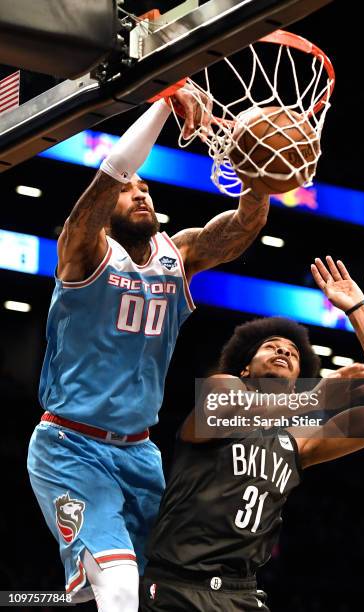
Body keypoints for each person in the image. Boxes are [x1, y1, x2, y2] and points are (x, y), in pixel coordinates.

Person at [27, 83, 271, 611]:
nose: (141, 193)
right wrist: (166, 97)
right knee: (117, 588)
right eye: (129, 190)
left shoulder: (176, 254)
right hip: (71, 447)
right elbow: (111, 171)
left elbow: (244, 226)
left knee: (164, 586)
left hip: (140, 452)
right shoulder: (82, 250)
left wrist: (257, 174)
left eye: (147, 189)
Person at [139, 256, 364, 611]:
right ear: (245, 367)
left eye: (293, 352)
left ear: (297, 379)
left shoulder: (300, 439)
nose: (283, 349)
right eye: (270, 346)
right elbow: (221, 412)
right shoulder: (224, 386)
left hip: (242, 593)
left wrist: (358, 311)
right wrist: (313, 399)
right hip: (177, 586)